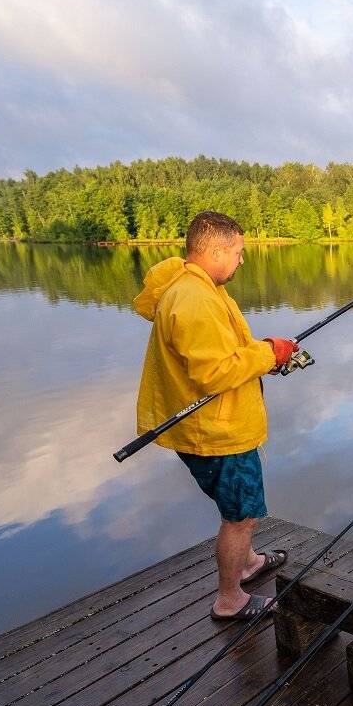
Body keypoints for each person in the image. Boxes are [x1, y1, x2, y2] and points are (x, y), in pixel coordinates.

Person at [132, 211, 298, 620]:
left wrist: (263, 354)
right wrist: (267, 353)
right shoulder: (194, 299)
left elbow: (221, 352)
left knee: (239, 506)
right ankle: (230, 600)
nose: (243, 260)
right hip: (218, 432)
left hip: (213, 426)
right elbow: (214, 373)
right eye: (239, 252)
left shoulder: (199, 288)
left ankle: (248, 563)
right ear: (219, 249)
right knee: (240, 515)